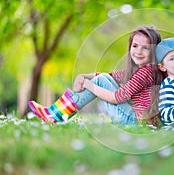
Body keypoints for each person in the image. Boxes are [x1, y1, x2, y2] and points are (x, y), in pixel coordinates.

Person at [28, 26, 163, 126]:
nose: (138, 51)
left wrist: (88, 84)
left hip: (135, 122)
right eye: (135, 46)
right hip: (136, 119)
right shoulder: (141, 70)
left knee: (100, 80)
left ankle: (55, 115)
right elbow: (111, 76)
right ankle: (56, 113)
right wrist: (83, 76)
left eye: (145, 48)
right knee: (103, 78)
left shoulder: (146, 72)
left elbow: (116, 98)